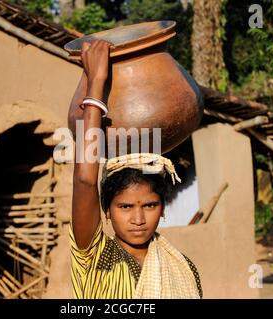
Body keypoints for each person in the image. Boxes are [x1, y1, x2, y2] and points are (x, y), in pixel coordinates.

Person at [70, 39, 202, 299]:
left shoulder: (183, 268)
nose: (138, 220)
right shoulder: (97, 259)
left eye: (150, 206)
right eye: (125, 207)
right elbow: (85, 181)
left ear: (163, 208)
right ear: (106, 210)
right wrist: (96, 81)